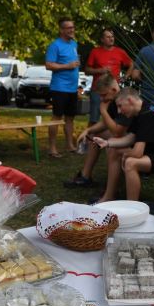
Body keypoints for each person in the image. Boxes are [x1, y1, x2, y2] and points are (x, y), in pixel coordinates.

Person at [93, 87, 154, 202]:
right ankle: (109, 196)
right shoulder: (147, 108)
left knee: (131, 163)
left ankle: (133, 207)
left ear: (130, 100)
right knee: (114, 149)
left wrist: (126, 154)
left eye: (120, 106)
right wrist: (107, 143)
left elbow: (137, 153)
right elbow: (132, 137)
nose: (119, 111)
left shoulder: (148, 114)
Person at [63, 74, 128, 188]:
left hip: (137, 140)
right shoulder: (113, 99)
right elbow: (106, 123)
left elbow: (117, 132)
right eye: (100, 96)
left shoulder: (124, 100)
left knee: (111, 144)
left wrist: (103, 111)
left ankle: (111, 189)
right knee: (94, 135)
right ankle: (85, 176)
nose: (102, 99)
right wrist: (88, 130)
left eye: (104, 95)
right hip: (126, 135)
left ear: (113, 90)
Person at [45, 17, 80, 157]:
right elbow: (48, 65)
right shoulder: (55, 45)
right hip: (59, 87)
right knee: (57, 117)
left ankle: (70, 145)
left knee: (70, 118)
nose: (72, 30)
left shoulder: (74, 44)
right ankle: (52, 148)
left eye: (73, 27)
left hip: (72, 88)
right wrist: (67, 66)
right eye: (69, 28)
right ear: (61, 30)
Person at [84, 28, 133, 126]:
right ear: (102, 39)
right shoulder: (95, 52)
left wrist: (126, 76)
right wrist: (100, 70)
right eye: (108, 37)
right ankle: (90, 135)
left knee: (114, 118)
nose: (111, 39)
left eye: (112, 37)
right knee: (94, 118)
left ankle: (110, 134)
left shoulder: (120, 52)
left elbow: (131, 64)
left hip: (113, 91)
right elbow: (87, 70)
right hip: (98, 90)